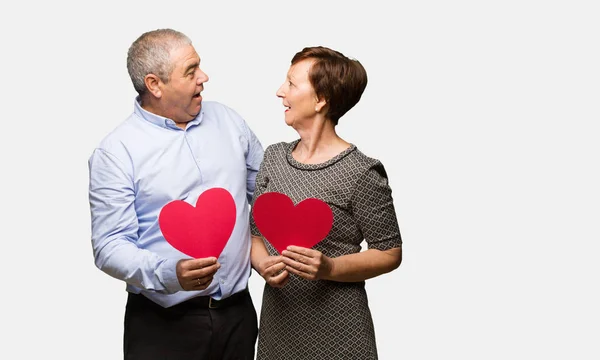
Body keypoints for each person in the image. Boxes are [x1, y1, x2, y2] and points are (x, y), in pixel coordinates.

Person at [88, 28, 263, 360]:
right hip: (162, 326)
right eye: (191, 70)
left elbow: (267, 193)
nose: (204, 77)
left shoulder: (229, 121)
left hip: (239, 317)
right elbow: (109, 246)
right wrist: (169, 273)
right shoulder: (117, 151)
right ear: (155, 85)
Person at [249, 46, 403, 359]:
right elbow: (254, 235)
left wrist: (329, 267)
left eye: (292, 84)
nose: (280, 92)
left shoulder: (362, 172)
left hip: (341, 338)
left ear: (321, 100)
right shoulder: (273, 157)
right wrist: (263, 263)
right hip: (277, 333)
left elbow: (390, 252)